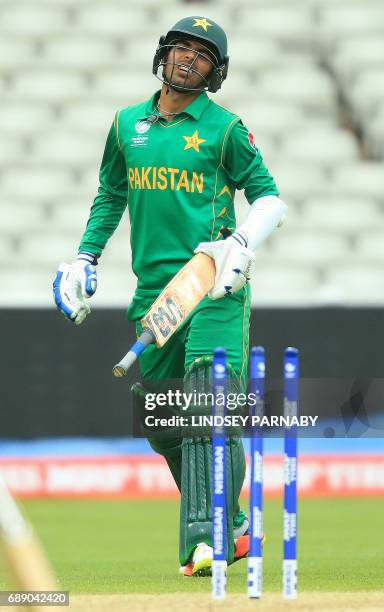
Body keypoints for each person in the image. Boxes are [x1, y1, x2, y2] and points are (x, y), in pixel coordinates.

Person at [53, 16, 286, 577]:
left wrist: (239, 245)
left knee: (208, 407)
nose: (189, 58)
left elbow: (270, 199)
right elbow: (110, 195)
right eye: (181, 48)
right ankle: (232, 525)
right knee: (162, 421)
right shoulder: (125, 124)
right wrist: (84, 257)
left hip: (211, 285)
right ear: (163, 55)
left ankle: (204, 542)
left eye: (202, 54)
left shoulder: (226, 129)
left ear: (216, 71)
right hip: (155, 295)